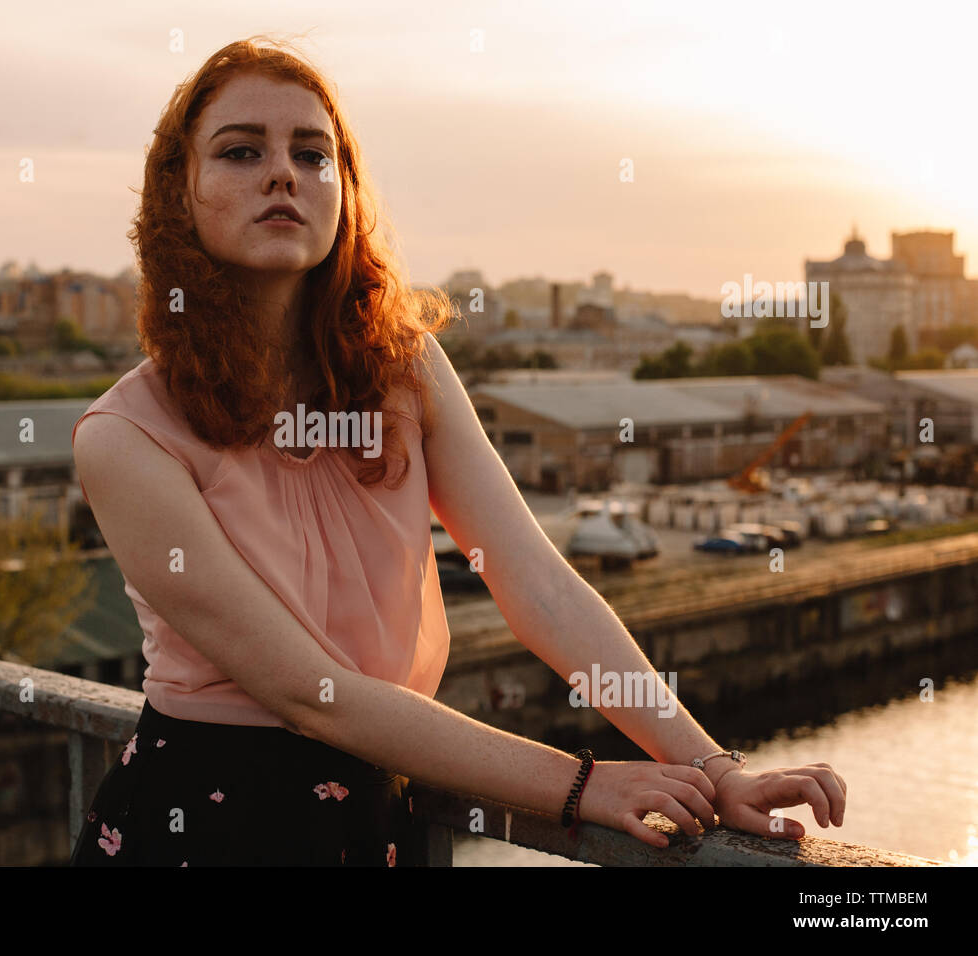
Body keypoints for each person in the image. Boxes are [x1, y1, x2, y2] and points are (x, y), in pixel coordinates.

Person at [69, 36, 846, 867]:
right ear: (176, 194)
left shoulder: (403, 369)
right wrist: (583, 785)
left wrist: (705, 764)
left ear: (346, 192)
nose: (283, 173)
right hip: (199, 827)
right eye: (240, 150)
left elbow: (533, 578)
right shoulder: (126, 438)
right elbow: (309, 693)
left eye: (313, 152)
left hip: (377, 817)